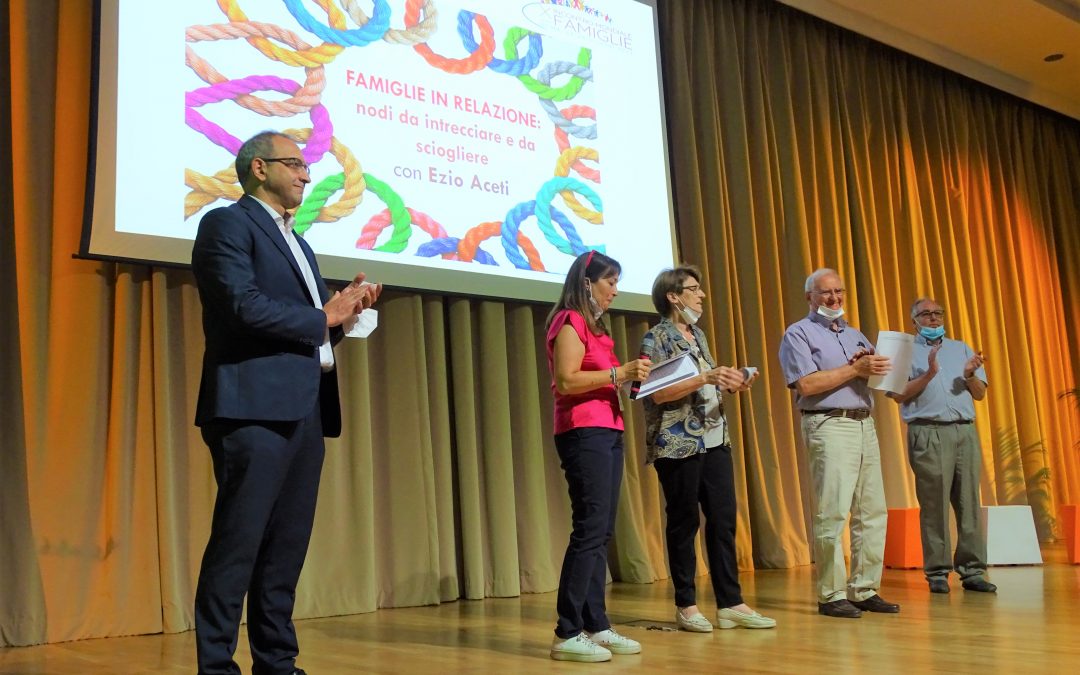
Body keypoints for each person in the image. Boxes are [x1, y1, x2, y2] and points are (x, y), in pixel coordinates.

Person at [191, 130, 381, 675]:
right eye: (294, 163)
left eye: (305, 165)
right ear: (258, 169)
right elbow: (241, 307)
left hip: (304, 407)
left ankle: (277, 662)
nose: (305, 173)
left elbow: (309, 330)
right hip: (251, 408)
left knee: (286, 547)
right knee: (239, 542)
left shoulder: (300, 242)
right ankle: (217, 667)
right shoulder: (226, 224)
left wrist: (347, 313)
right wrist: (325, 314)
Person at [639, 265, 776, 632]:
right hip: (679, 443)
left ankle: (730, 602)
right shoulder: (657, 338)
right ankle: (686, 604)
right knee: (684, 522)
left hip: (715, 439)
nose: (701, 295)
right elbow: (655, 393)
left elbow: (703, 385)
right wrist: (705, 377)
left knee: (723, 520)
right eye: (693, 289)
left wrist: (731, 380)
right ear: (673, 296)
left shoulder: (698, 334)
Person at [545, 250, 652, 662]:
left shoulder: (599, 330)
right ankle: (567, 631)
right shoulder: (568, 320)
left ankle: (597, 624)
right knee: (589, 529)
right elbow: (567, 380)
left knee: (602, 530)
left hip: (609, 427)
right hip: (582, 430)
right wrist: (618, 373)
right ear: (587, 282)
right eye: (610, 282)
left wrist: (636, 379)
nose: (616, 291)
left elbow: (605, 379)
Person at [778, 268, 899, 619]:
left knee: (873, 511)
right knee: (832, 511)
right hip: (829, 424)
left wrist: (887, 370)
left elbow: (874, 378)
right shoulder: (798, 333)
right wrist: (855, 370)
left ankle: (864, 589)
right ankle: (831, 594)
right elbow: (807, 385)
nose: (834, 298)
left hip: (864, 423)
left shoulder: (856, 333)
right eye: (825, 293)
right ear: (810, 297)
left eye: (839, 292)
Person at [888, 298, 996, 594]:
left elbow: (979, 395)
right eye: (926, 314)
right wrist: (929, 374)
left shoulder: (960, 347)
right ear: (915, 320)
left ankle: (973, 571)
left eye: (938, 313)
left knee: (968, 504)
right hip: (928, 431)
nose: (933, 319)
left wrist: (971, 374)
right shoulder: (904, 350)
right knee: (934, 505)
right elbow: (897, 395)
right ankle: (937, 572)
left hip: (964, 432)